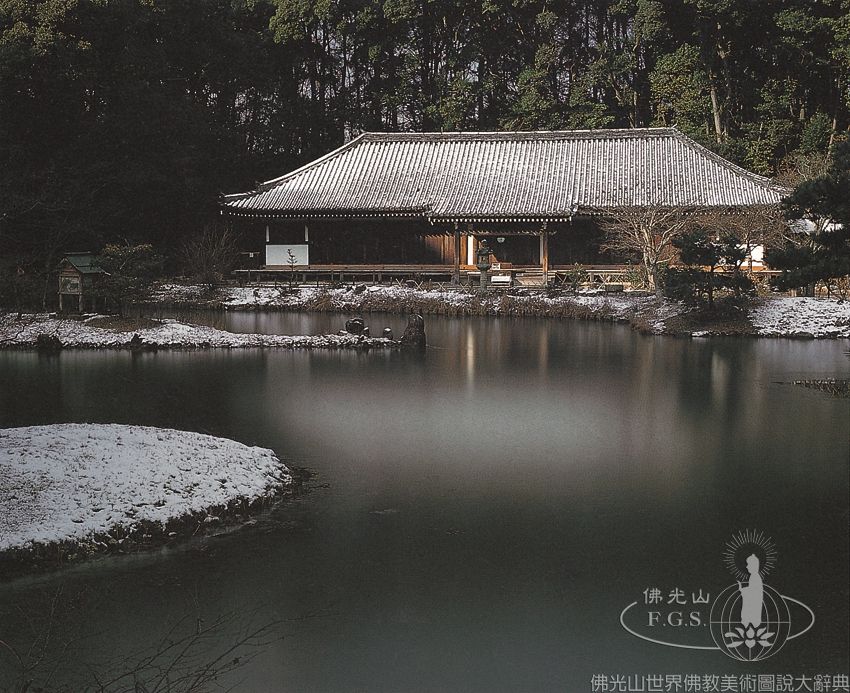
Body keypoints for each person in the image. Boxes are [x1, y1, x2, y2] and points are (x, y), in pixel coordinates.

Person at [738, 554, 764, 627]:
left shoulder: (755, 577)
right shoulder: (753, 577)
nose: (747, 567)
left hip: (753, 608)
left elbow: (754, 592)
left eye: (748, 564)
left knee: (750, 622)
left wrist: (742, 590)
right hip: (753, 605)